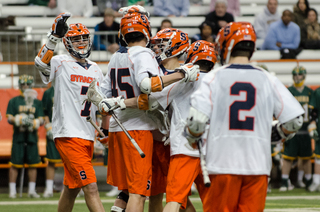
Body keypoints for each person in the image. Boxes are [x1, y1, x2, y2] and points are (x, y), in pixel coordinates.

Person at [184, 22, 304, 212]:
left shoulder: (213, 78)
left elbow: (196, 124)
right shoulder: (268, 78)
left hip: (222, 164)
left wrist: (191, 136)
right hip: (258, 167)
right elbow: (295, 120)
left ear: (226, 45)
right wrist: (277, 132)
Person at [98, 8, 199, 212]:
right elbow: (147, 89)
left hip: (124, 130)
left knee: (128, 192)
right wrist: (180, 74)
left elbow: (103, 96)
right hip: (140, 131)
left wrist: (115, 106)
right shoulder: (144, 55)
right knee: (139, 193)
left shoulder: (118, 56)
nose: (157, 47)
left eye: (163, 45)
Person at [35, 13, 105, 212]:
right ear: (67, 42)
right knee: (90, 187)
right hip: (68, 133)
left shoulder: (95, 69)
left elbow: (100, 103)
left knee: (71, 188)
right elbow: (40, 63)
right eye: (76, 38)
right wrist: (53, 38)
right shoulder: (60, 61)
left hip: (87, 133)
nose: (81, 42)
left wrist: (103, 130)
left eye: (84, 38)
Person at [151, 40, 216, 212]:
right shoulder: (219, 81)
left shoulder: (181, 80)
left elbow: (149, 102)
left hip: (185, 147)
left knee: (174, 201)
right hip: (213, 151)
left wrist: (121, 103)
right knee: (217, 204)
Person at [6, 75, 44, 199]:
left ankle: (32, 190)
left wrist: (34, 122)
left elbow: (42, 119)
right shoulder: (14, 101)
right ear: (20, 85)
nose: (25, 87)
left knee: (33, 164)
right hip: (18, 137)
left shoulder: (37, 102)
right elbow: (9, 118)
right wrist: (19, 119)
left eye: (28, 85)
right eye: (23, 85)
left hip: (32, 136)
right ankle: (12, 191)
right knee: (15, 164)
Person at [280, 66, 314, 191]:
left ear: (304, 76)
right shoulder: (288, 91)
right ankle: (284, 181)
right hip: (292, 130)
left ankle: (309, 180)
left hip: (305, 130)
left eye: (299, 75)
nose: (297, 77)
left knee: (306, 158)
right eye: (295, 75)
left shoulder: (310, 92)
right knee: (288, 157)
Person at [42, 84, 62, 198]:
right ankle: (49, 188)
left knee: (70, 160)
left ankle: (74, 187)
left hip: (67, 129)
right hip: (53, 129)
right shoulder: (48, 92)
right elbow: (44, 112)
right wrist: (48, 126)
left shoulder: (68, 87)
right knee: (51, 160)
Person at [308, 85, 320, 192]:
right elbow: (314, 112)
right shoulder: (317, 92)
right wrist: (312, 125)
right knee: (318, 155)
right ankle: (317, 181)